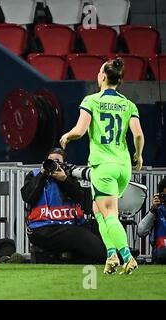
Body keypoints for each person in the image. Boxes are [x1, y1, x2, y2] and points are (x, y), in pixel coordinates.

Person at [60, 57, 145, 274]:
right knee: (98, 210)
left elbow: (80, 131)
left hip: (103, 166)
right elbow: (138, 135)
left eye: (99, 72)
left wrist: (67, 136)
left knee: (109, 214)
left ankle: (127, 257)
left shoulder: (91, 101)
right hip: (123, 166)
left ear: (103, 77)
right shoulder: (128, 104)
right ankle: (111, 255)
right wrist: (139, 155)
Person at [21, 148, 106, 264]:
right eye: (50, 160)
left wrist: (64, 180)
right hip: (43, 228)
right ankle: (104, 256)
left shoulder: (69, 176)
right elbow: (28, 197)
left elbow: (80, 198)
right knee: (79, 236)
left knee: (101, 226)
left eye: (57, 161)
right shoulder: (34, 175)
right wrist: (42, 175)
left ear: (64, 164)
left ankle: (117, 254)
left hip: (70, 225)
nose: (53, 164)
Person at [137, 178, 166, 264]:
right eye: (164, 196)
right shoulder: (156, 212)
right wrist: (153, 210)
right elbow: (141, 232)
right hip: (161, 255)